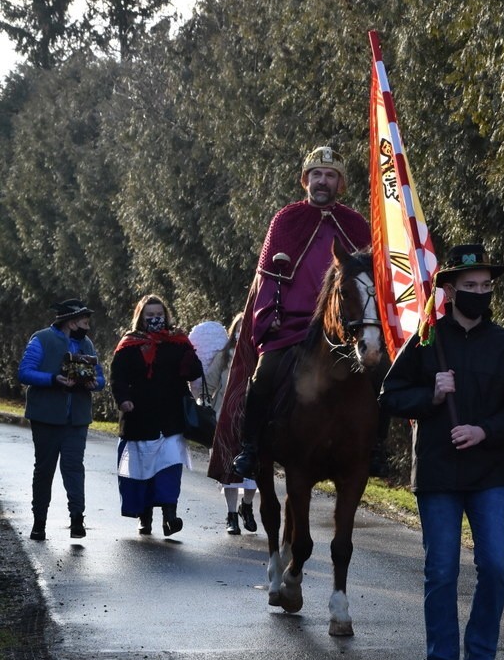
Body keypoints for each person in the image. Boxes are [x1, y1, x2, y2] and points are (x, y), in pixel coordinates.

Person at [380, 244, 504, 660]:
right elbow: (389, 396)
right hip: (439, 474)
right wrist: (430, 393)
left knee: (495, 566)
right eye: (470, 287)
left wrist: (484, 429)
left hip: (490, 472)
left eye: (486, 287)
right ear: (447, 291)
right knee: (442, 571)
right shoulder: (427, 341)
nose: (479, 293)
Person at [230, 145, 372, 480]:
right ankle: (250, 448)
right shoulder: (285, 220)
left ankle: (374, 448)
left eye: (331, 175)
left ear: (341, 184)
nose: (323, 181)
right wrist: (268, 320)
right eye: (317, 175)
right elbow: (265, 280)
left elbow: (368, 282)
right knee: (264, 377)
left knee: (375, 374)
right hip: (291, 325)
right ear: (305, 180)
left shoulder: (355, 224)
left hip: (341, 328)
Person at [110, 294, 202, 537]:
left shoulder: (178, 341)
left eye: (158, 315)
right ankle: (145, 516)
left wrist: (191, 357)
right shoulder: (129, 344)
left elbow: (193, 373)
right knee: (143, 470)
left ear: (166, 315)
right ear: (141, 317)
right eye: (150, 316)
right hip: (139, 418)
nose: (155, 319)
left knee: (170, 467)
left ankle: (170, 516)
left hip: (171, 419)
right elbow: (117, 377)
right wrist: (123, 400)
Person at [19, 298, 105, 541]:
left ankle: (77, 519)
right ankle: (39, 523)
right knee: (44, 470)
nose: (88, 326)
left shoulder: (86, 343)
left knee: (74, 468)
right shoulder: (41, 339)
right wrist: (53, 379)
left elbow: (100, 378)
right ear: (71, 321)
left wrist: (93, 383)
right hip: (46, 417)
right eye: (84, 321)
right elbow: (24, 372)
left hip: (77, 419)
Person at [190, 313, 258, 535]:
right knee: (230, 468)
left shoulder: (260, 354)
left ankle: (246, 507)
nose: (241, 332)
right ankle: (231, 515)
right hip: (226, 418)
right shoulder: (225, 355)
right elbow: (208, 382)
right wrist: (198, 402)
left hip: (254, 418)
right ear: (233, 331)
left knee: (254, 468)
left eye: (245, 328)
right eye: (238, 328)